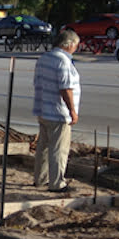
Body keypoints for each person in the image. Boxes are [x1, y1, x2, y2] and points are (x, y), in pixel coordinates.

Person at [32, 29, 81, 192]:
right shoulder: (63, 61)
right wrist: (72, 111)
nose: (76, 48)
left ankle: (40, 179)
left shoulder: (44, 58)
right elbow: (66, 88)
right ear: (69, 45)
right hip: (58, 112)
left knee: (43, 147)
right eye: (76, 45)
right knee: (58, 150)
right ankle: (57, 183)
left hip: (43, 109)